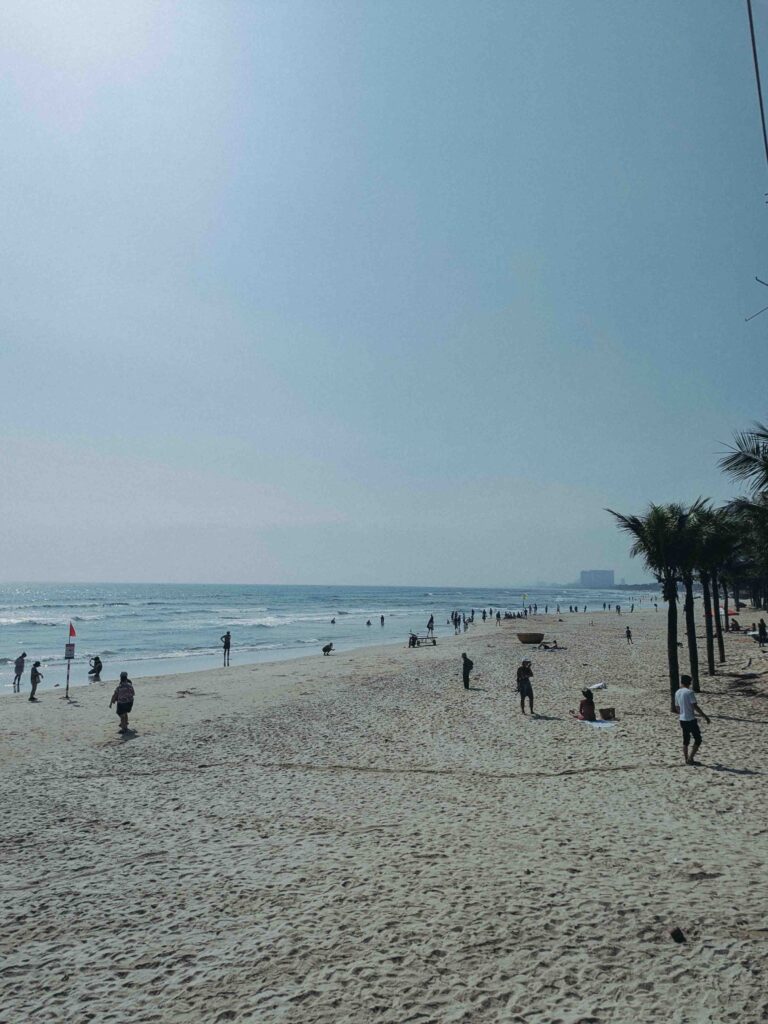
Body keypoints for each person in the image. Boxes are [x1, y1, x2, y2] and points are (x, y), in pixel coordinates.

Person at [674, 674, 711, 766]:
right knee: (698, 739)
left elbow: (677, 707)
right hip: (690, 719)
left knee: (685, 740)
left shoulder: (677, 692)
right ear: (689, 683)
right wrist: (704, 716)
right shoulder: (689, 692)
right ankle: (690, 758)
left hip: (682, 719)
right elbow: (695, 706)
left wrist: (682, 713)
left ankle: (686, 759)